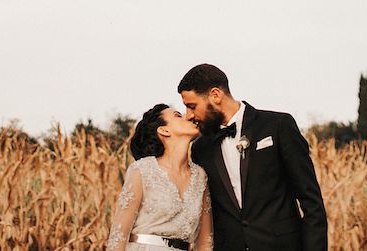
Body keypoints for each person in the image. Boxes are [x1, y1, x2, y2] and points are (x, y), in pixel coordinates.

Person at [179, 64, 328, 251]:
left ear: (215, 95)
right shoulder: (201, 148)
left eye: (192, 106)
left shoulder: (278, 126)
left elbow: (311, 201)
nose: (189, 116)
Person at [107, 104, 214, 250]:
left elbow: (205, 242)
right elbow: (118, 236)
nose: (188, 117)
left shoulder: (200, 177)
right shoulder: (142, 170)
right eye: (178, 115)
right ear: (164, 131)